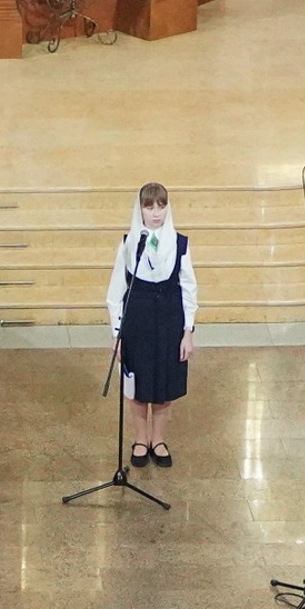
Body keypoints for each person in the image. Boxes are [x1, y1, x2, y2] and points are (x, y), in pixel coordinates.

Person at [105, 181, 197, 467]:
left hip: (169, 323)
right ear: (140, 210)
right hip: (138, 324)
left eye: (161, 206)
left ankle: (158, 439)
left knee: (163, 385)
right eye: (149, 207)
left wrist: (188, 332)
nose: (156, 213)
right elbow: (115, 292)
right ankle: (140, 439)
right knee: (137, 385)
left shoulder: (180, 244)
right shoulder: (129, 244)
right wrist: (117, 333)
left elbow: (189, 289)